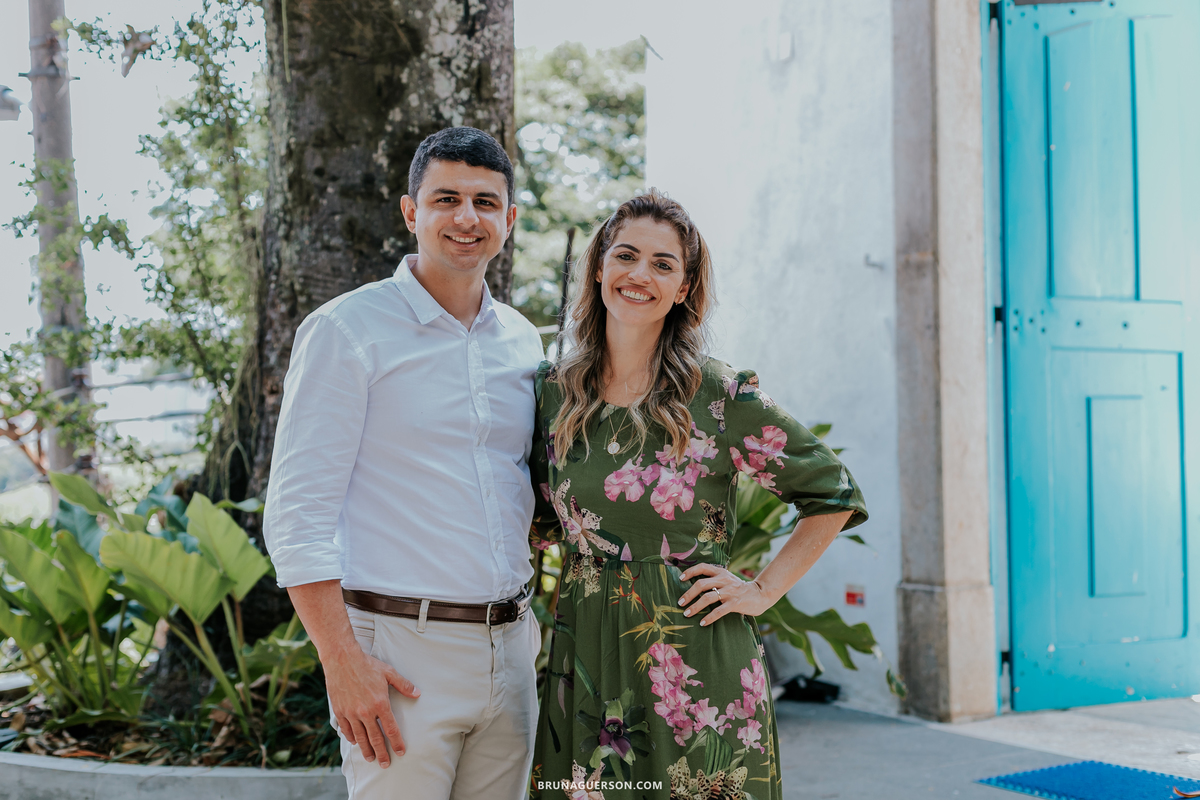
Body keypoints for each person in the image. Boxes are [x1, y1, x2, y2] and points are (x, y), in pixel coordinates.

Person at [527, 190, 868, 799]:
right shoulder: (555, 393)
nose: (640, 275)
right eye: (626, 256)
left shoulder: (717, 394)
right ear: (600, 265)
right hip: (583, 652)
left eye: (663, 265)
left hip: (693, 661)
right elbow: (533, 517)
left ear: (683, 289)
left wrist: (762, 590)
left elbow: (833, 492)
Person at [262, 126, 545, 800]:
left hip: (512, 651)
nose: (466, 218)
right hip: (399, 654)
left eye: (485, 201)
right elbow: (296, 517)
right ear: (411, 212)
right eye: (446, 198)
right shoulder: (347, 332)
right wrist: (341, 663)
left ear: (509, 219)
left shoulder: (524, 341)